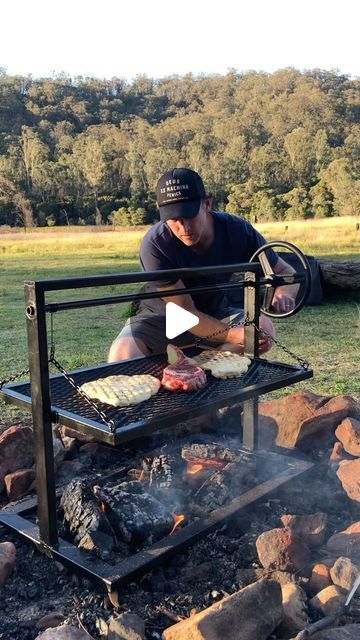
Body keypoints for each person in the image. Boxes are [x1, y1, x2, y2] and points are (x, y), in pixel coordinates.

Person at [108, 168, 297, 362]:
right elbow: (184, 314)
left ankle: (206, 368)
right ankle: (196, 369)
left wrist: (284, 292)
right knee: (122, 354)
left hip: (215, 312)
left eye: (189, 216)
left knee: (263, 330)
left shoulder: (237, 230)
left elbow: (286, 272)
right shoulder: (155, 245)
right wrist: (234, 335)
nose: (184, 228)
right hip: (163, 315)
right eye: (174, 220)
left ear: (206, 204)